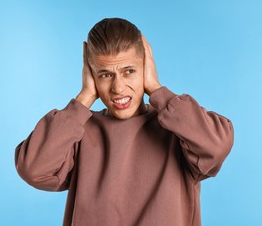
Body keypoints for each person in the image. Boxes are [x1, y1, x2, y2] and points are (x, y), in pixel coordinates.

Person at [15, 18, 234, 226]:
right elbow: (33, 169)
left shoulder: (177, 130)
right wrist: (83, 99)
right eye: (105, 75)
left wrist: (157, 90)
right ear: (90, 75)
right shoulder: (79, 132)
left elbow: (215, 146)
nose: (118, 88)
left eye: (129, 71)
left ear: (146, 67)